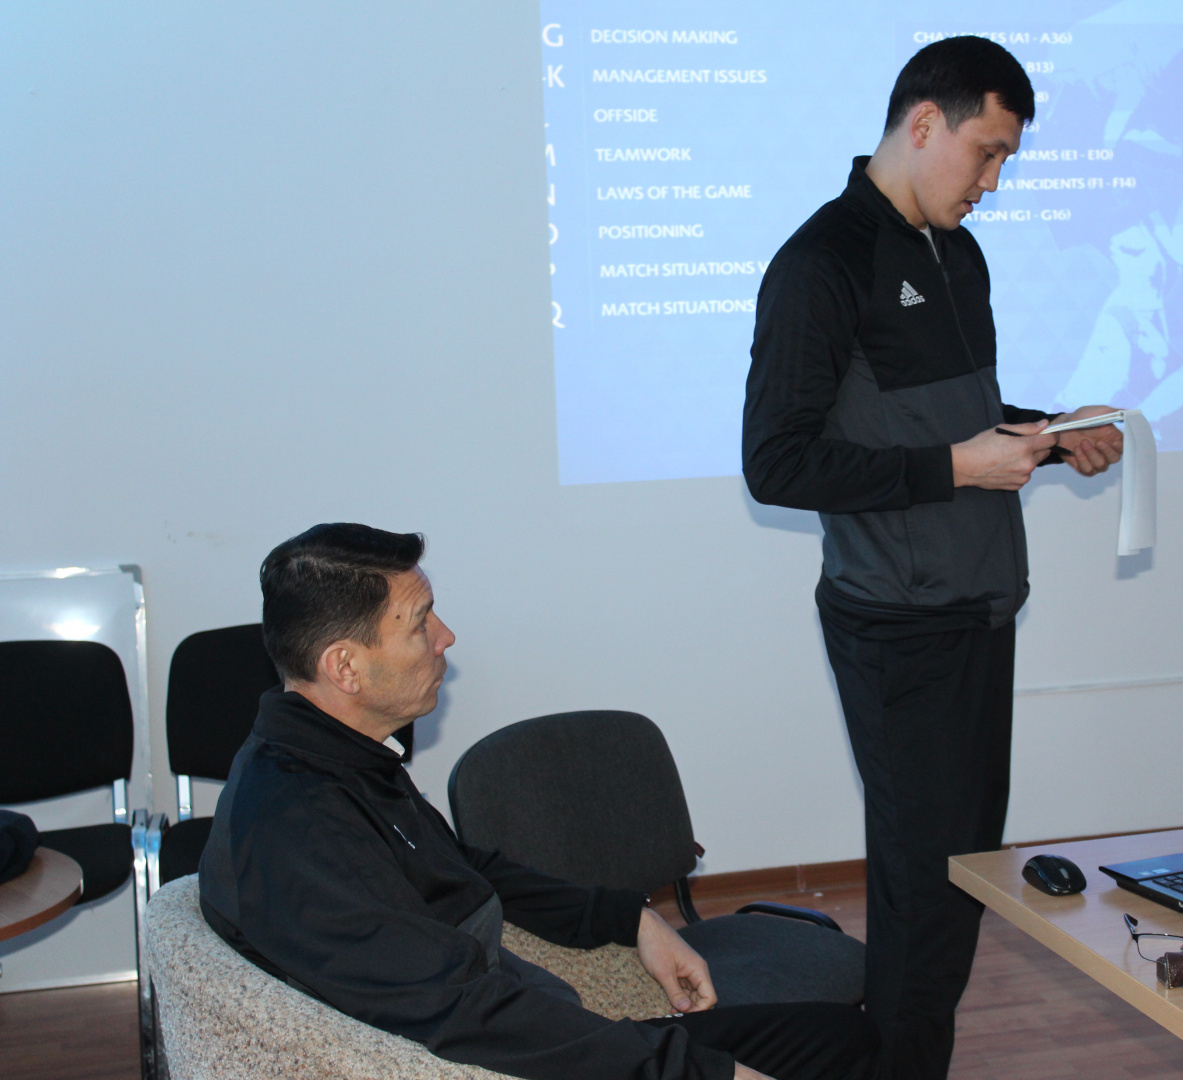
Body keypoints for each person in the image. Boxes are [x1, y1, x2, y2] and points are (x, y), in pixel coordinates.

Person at [741, 38, 1123, 1080]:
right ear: (922, 125)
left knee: (957, 881)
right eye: (985, 153)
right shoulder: (821, 264)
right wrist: (959, 466)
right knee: (924, 889)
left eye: (1006, 160)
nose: (993, 180)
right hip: (895, 623)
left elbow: (950, 422)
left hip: (977, 604)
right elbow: (777, 462)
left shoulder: (958, 254)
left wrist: (1052, 432)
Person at [198, 523, 877, 1080]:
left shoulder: (335, 759)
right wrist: (700, 1073)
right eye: (420, 623)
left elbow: (463, 868)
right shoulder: (297, 825)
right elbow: (468, 1014)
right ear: (345, 666)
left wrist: (630, 919)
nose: (445, 637)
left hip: (536, 1027)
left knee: (845, 1040)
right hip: (509, 1059)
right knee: (841, 1052)